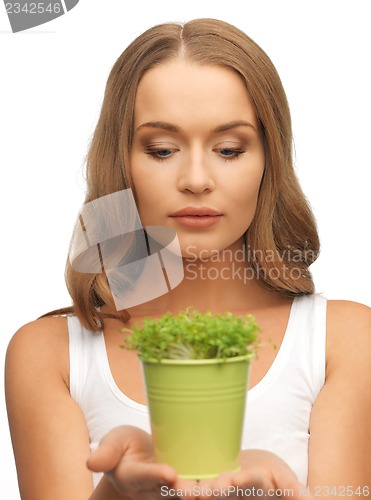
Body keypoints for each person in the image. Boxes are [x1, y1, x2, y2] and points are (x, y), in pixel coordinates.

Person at [5, 18, 371, 500]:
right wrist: (118, 489)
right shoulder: (49, 355)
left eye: (228, 149)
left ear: (268, 161)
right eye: (161, 150)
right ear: (122, 165)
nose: (196, 178)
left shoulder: (343, 341)